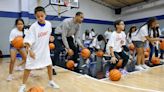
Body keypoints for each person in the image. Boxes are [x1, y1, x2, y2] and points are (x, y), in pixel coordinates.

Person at [18, 6, 59, 92]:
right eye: (38, 16)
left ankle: (51, 81)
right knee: (28, 68)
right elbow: (27, 41)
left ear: (45, 15)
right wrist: (30, 51)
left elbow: (48, 35)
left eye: (42, 16)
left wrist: (50, 38)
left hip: (44, 51)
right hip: (34, 51)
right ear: (35, 17)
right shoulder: (33, 27)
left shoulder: (49, 24)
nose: (40, 18)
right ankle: (23, 85)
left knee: (49, 65)